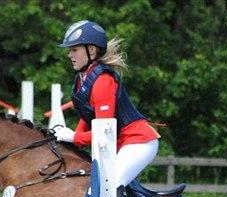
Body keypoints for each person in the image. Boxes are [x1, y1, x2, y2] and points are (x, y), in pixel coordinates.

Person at [53, 20, 160, 187]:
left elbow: (105, 132)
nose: (69, 55)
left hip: (138, 141)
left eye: (74, 49)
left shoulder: (103, 81)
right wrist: (75, 138)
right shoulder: (83, 79)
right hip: (119, 142)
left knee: (110, 185)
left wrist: (74, 137)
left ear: (92, 50)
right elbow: (89, 115)